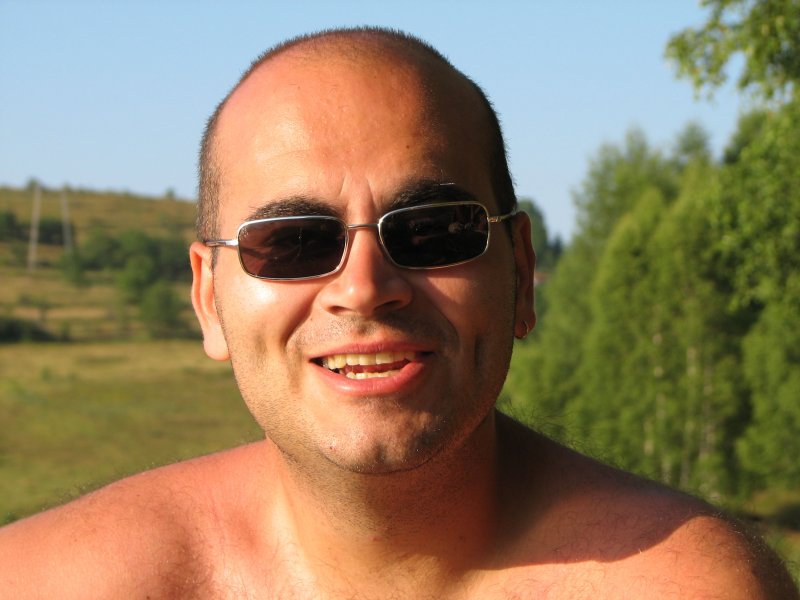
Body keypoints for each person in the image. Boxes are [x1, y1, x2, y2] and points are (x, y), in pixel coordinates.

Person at [0, 27, 797, 599]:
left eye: (432, 231)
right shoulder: (48, 582)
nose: (363, 287)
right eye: (294, 242)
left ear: (520, 273)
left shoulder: (684, 585)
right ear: (209, 297)